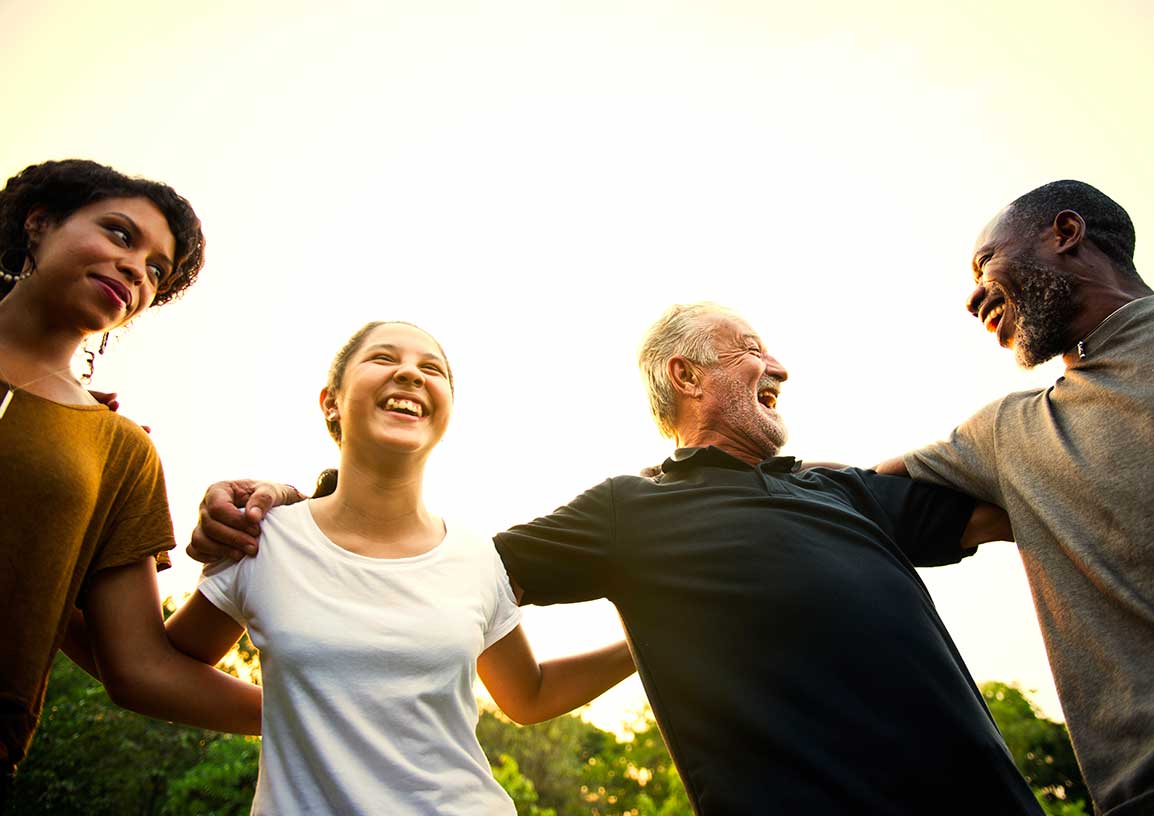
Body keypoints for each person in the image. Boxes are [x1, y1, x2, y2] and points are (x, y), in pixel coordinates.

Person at [190, 304, 1043, 815]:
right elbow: (427, 574)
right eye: (750, 346)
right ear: (686, 373)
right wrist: (291, 502)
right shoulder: (628, 511)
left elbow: (1032, 509)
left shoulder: (849, 492)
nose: (778, 362)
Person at [165, 320, 635, 814]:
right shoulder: (264, 538)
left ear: (446, 410)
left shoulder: (476, 555)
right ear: (331, 401)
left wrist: (645, 641)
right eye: (384, 359)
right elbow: (157, 668)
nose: (411, 374)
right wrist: (295, 713)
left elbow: (529, 695)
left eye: (431, 368)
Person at [878, 180, 1154, 816]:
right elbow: (857, 488)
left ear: (1064, 233)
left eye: (985, 262)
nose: (971, 296)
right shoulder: (1007, 434)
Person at [0, 159, 262, 801]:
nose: (135, 270)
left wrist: (329, 713)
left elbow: (139, 667)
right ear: (39, 224)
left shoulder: (119, 449)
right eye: (120, 235)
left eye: (156, 271)